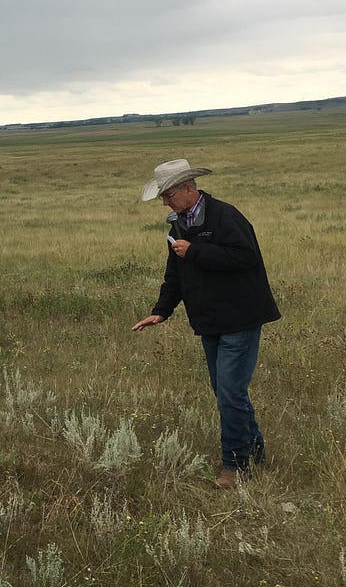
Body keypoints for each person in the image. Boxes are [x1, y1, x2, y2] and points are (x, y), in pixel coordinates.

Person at [131, 159, 280, 490]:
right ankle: (253, 453)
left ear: (188, 188)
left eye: (168, 195)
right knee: (226, 391)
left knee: (229, 392)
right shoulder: (178, 226)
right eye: (162, 198)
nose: (165, 203)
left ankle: (236, 466)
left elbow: (246, 258)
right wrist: (162, 310)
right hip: (210, 321)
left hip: (240, 318)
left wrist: (196, 251)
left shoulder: (225, 216)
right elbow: (176, 275)